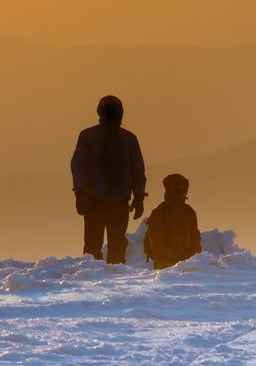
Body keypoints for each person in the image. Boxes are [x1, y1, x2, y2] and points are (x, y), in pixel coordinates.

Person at [69, 94, 146, 263]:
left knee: (100, 247)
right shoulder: (127, 139)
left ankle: (98, 281)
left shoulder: (89, 136)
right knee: (105, 247)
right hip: (102, 202)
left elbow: (78, 166)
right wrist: (138, 196)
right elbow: (138, 169)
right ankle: (108, 282)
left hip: (102, 202)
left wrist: (80, 193)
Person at [145, 172, 201, 269]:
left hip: (187, 264)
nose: (182, 193)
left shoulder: (189, 211)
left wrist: (192, 257)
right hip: (165, 264)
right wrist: (171, 256)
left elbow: (195, 237)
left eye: (184, 190)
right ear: (169, 190)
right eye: (178, 190)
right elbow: (156, 240)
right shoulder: (160, 212)